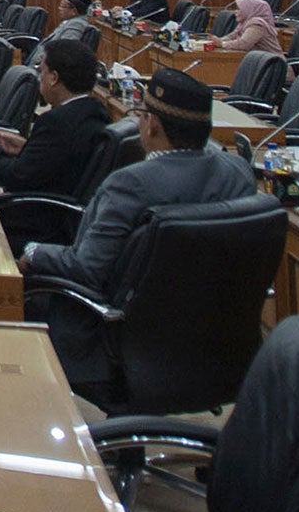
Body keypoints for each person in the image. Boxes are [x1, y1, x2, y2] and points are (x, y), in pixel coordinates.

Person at [19, 69, 254, 388]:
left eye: (142, 114)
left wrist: (33, 253)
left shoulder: (130, 184)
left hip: (117, 336)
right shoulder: (239, 173)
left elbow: (85, 268)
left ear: (152, 124)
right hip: (215, 345)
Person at [0, 37, 107, 195]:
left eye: (41, 70)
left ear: (53, 78)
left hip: (37, 212)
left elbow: (15, 177)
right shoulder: (95, 111)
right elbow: (61, 160)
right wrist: (26, 148)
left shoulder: (55, 122)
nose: (39, 77)